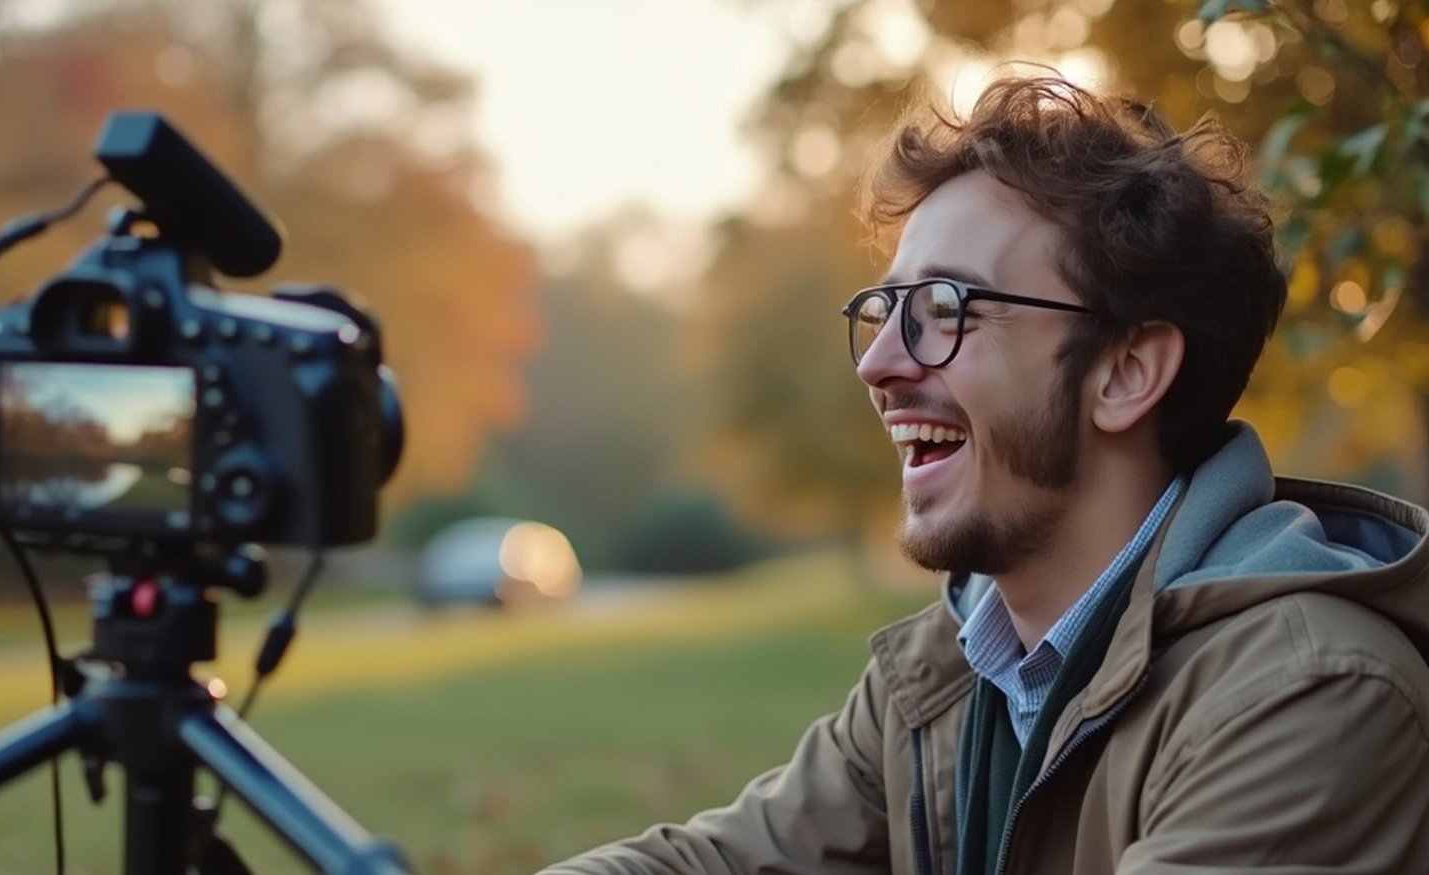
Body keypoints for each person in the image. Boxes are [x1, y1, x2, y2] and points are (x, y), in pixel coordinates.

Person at [540, 74, 1429, 874]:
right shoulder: (955, 670)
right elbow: (718, 861)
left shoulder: (1308, 696)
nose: (879, 362)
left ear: (1125, 373)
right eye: (886, 309)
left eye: (945, 309)